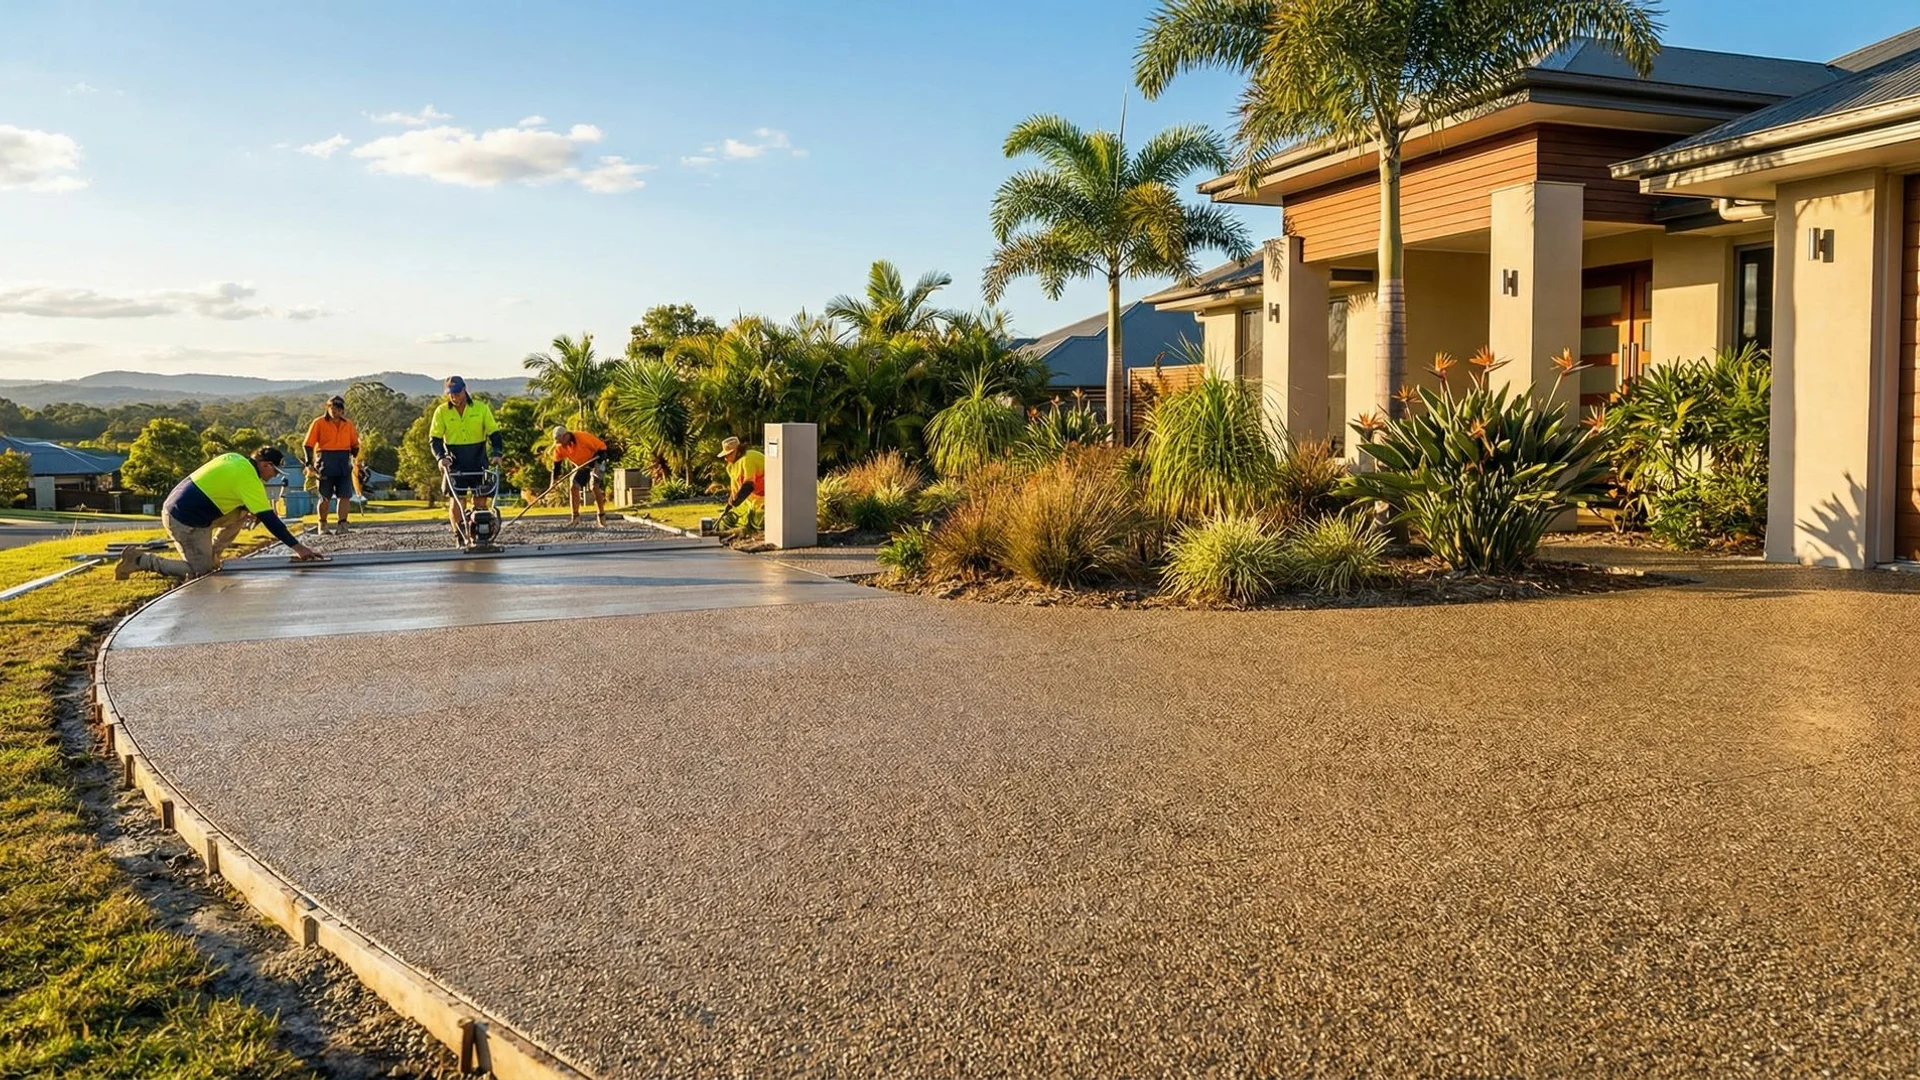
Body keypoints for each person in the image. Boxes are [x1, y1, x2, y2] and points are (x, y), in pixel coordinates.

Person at [117, 446, 323, 579]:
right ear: (265, 465)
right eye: (275, 471)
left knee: (247, 513)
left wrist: (248, 511)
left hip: (182, 507)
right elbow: (270, 519)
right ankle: (139, 561)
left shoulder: (234, 458)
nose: (274, 476)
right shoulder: (249, 479)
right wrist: (299, 548)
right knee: (201, 571)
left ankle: (213, 554)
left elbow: (226, 491)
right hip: (184, 520)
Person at [427, 375, 502, 541]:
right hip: (455, 462)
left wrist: (497, 454)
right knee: (457, 501)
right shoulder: (441, 412)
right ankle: (459, 536)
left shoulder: (480, 408)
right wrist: (440, 457)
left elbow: (494, 433)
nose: (454, 396)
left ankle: (479, 533)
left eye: (457, 392)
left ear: (464, 389)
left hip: (478, 459)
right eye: (450, 393)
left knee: (481, 499)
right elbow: (435, 439)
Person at [302, 394, 360, 535]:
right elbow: (308, 444)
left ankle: (342, 525)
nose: (336, 413)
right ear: (328, 408)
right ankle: (322, 524)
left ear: (343, 411)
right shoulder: (319, 423)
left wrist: (356, 456)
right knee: (325, 496)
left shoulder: (348, 424)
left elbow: (355, 444)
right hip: (325, 461)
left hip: (343, 460)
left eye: (339, 411)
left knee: (345, 495)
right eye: (334, 410)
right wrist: (309, 462)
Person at [550, 426, 613, 527]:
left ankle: (601, 516)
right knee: (574, 486)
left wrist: (597, 465)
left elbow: (602, 449)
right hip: (582, 465)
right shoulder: (560, 447)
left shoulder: (582, 437)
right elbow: (557, 465)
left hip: (596, 460)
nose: (560, 444)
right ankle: (575, 518)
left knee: (594, 486)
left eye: (561, 440)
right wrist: (554, 481)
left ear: (566, 436)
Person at [718, 436, 765, 522]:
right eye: (725, 455)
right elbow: (735, 491)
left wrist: (736, 501)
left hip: (769, 496)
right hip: (756, 499)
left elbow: (748, 485)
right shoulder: (732, 466)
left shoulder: (748, 459)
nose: (725, 458)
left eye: (729, 454)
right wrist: (728, 506)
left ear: (738, 451)